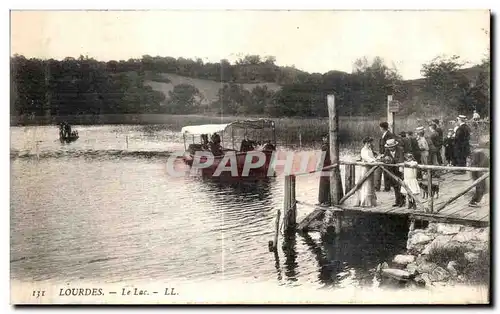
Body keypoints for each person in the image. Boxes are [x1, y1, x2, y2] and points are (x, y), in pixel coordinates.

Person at [381, 139, 405, 207]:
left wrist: (401, 168)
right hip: (391, 170)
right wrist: (385, 159)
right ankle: (397, 201)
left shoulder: (400, 149)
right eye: (389, 147)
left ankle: (402, 201)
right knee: (395, 186)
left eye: (391, 147)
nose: (390, 149)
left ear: (395, 146)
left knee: (400, 185)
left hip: (399, 170)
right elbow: (384, 158)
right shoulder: (387, 151)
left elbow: (401, 159)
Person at [355, 137, 378, 207]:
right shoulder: (363, 150)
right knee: (365, 183)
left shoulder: (369, 149)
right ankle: (364, 201)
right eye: (368, 143)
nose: (370, 144)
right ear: (365, 143)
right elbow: (366, 157)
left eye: (370, 143)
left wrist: (375, 159)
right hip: (365, 168)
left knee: (370, 183)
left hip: (370, 167)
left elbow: (372, 156)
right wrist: (373, 161)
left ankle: (370, 201)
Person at [468, 141, 490, 207]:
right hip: (479, 171)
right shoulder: (483, 152)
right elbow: (482, 163)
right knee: (481, 187)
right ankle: (473, 201)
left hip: (478, 170)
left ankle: (475, 200)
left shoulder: (480, 151)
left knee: (483, 187)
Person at [375, 122, 395, 192]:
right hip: (382, 154)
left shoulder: (389, 135)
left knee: (387, 171)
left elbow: (389, 146)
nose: (380, 129)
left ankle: (387, 187)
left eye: (380, 127)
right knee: (382, 170)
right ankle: (380, 186)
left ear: (382, 128)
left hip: (386, 155)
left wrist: (384, 154)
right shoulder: (384, 135)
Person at [318, 134, 331, 205]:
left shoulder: (325, 146)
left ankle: (323, 200)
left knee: (324, 183)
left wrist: (320, 165)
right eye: (324, 138)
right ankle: (325, 200)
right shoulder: (328, 146)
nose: (325, 139)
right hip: (327, 166)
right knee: (325, 183)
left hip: (326, 167)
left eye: (326, 138)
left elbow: (322, 158)